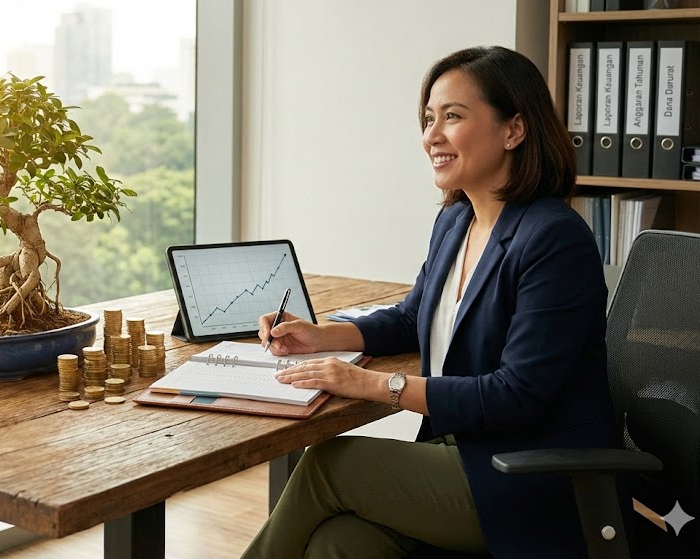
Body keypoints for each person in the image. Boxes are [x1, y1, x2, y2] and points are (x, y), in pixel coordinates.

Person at [241, 46, 622, 558]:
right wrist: (323, 334)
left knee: (328, 465)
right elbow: (411, 317)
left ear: (514, 130)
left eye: (453, 117)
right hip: (466, 451)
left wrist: (371, 384)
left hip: (537, 478)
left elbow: (518, 395)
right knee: (340, 544)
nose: (432, 136)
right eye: (428, 118)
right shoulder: (456, 220)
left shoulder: (555, 239)